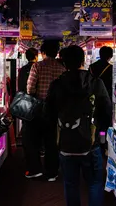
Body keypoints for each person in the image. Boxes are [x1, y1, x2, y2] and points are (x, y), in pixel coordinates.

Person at [45, 45, 112, 206]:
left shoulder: (56, 85)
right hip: (92, 144)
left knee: (70, 183)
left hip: (65, 144)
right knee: (95, 183)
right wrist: (101, 137)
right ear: (83, 60)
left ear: (64, 63)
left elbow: (48, 114)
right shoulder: (96, 83)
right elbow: (106, 112)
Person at [26, 40, 65, 181]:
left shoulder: (37, 66)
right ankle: (52, 172)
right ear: (56, 53)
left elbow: (30, 89)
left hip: (38, 108)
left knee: (35, 140)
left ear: (43, 52)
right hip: (55, 109)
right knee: (52, 141)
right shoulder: (62, 68)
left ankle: (36, 169)